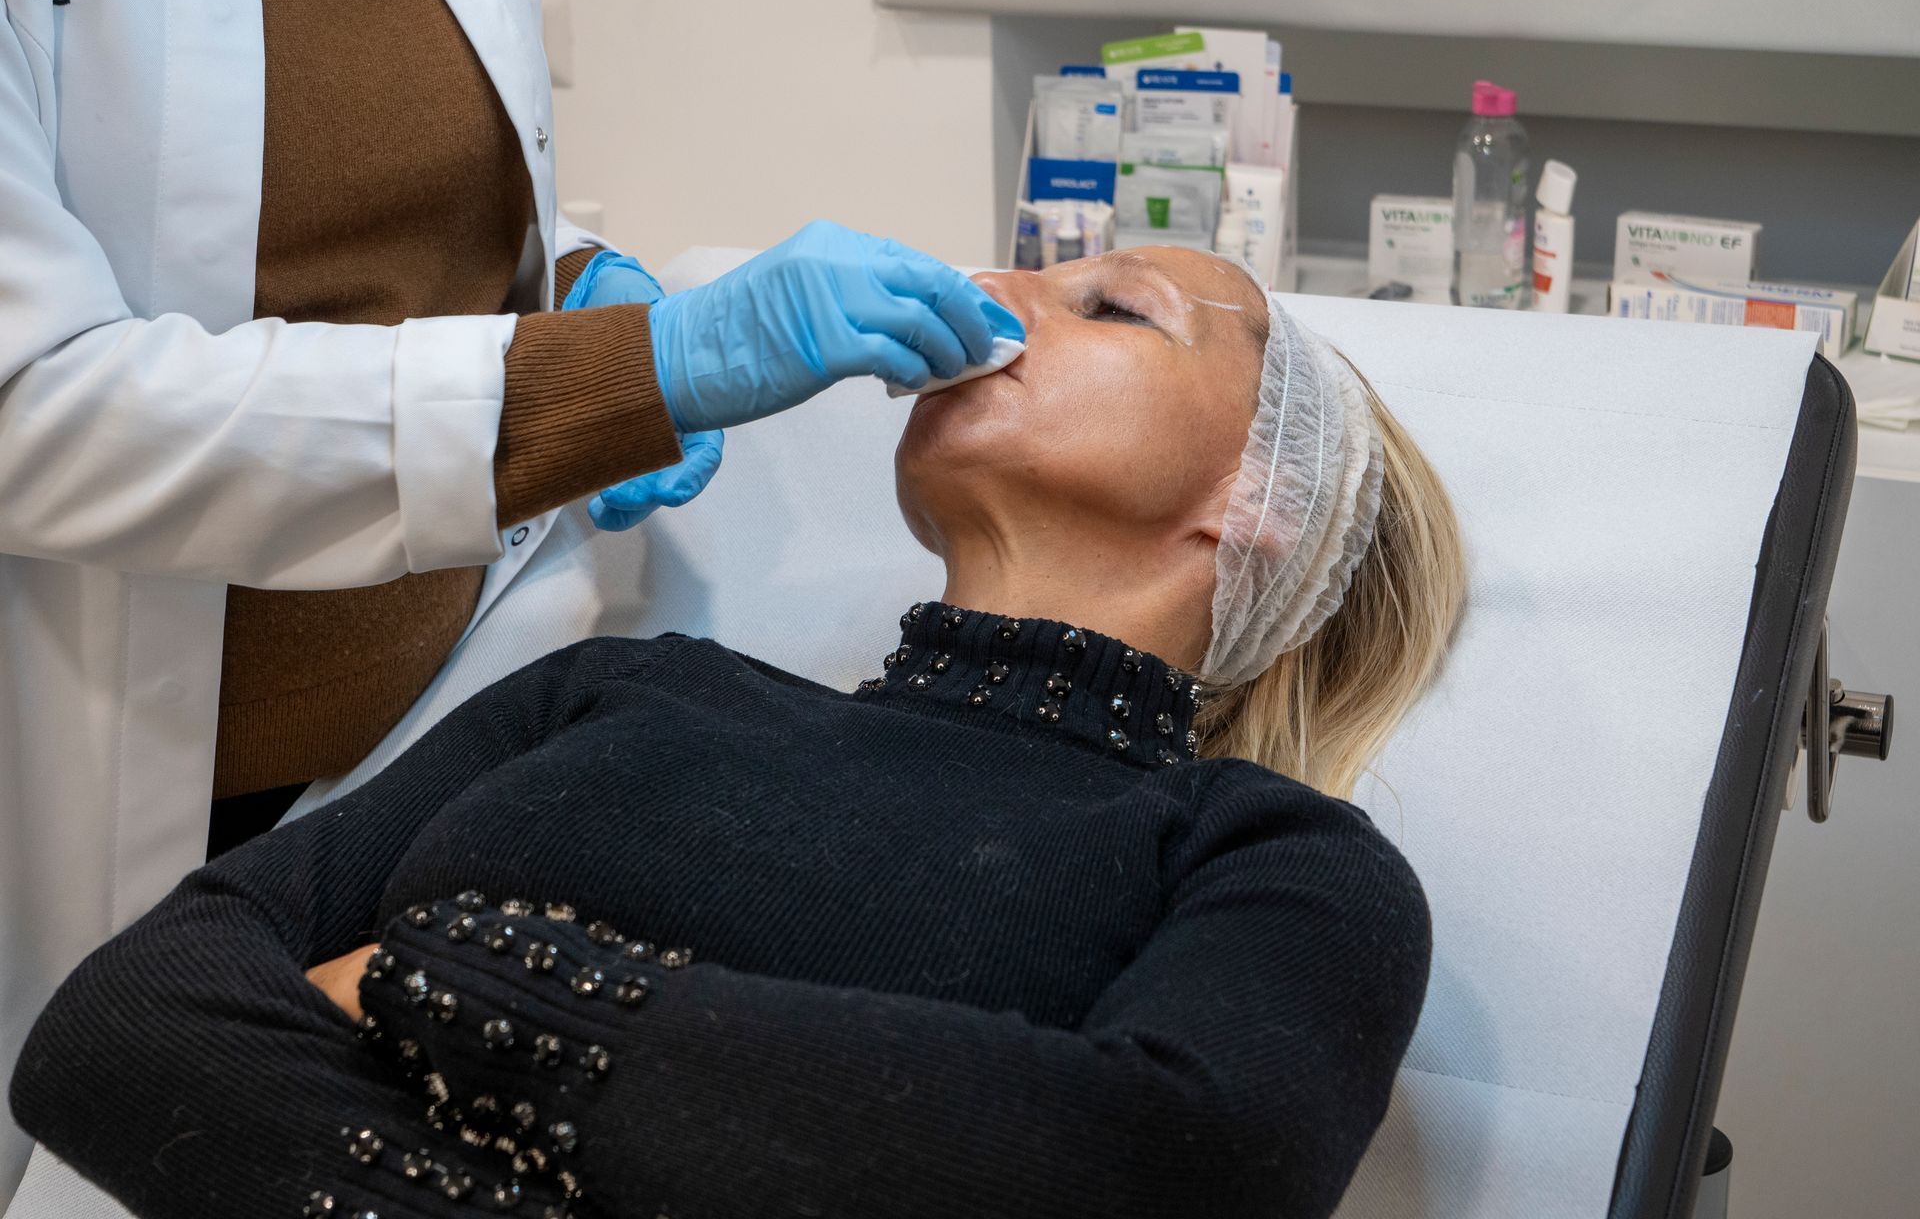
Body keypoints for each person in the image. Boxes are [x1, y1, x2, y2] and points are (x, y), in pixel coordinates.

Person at [0, 0, 1018, 1202]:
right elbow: (29, 403)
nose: (1029, 302)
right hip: (98, 758)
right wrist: (621, 372)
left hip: (414, 735)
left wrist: (567, 280)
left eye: (1124, 312)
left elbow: (384, 181)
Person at [11, 247, 1468, 1219]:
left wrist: (448, 979)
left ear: (1260, 500)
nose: (995, 284)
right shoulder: (630, 688)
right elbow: (117, 1031)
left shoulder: (1271, 860)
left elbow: (1172, 1164)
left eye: (1112, 305)